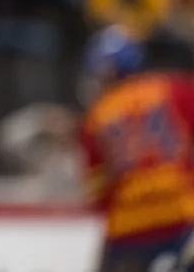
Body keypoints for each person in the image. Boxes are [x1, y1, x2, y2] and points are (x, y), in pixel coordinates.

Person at [79, 25, 194, 272]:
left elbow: (97, 189)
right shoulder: (173, 88)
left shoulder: (97, 114)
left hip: (129, 225)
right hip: (183, 215)